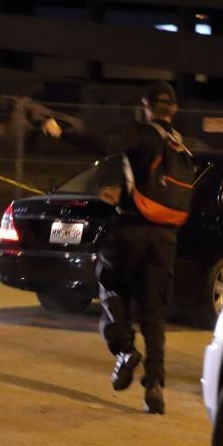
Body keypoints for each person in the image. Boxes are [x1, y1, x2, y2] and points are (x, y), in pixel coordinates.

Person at [42, 81, 187, 414]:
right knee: (153, 313)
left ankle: (125, 350)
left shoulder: (142, 134)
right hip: (165, 237)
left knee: (110, 288)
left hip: (130, 229)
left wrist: (61, 133)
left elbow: (102, 144)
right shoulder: (181, 146)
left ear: (146, 106)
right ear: (175, 109)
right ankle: (154, 385)